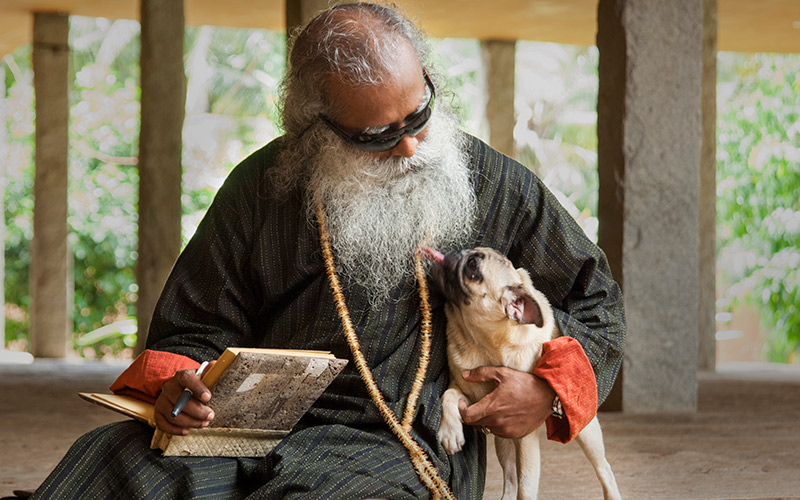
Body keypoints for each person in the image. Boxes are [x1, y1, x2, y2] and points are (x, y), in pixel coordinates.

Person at [30, 3, 624, 499]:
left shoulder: (491, 182)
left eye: (419, 112)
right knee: (111, 465)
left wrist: (543, 390)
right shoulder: (259, 187)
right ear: (316, 129)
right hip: (242, 434)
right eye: (379, 136)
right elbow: (191, 328)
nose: (413, 146)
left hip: (398, 440)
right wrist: (180, 386)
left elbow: (596, 300)